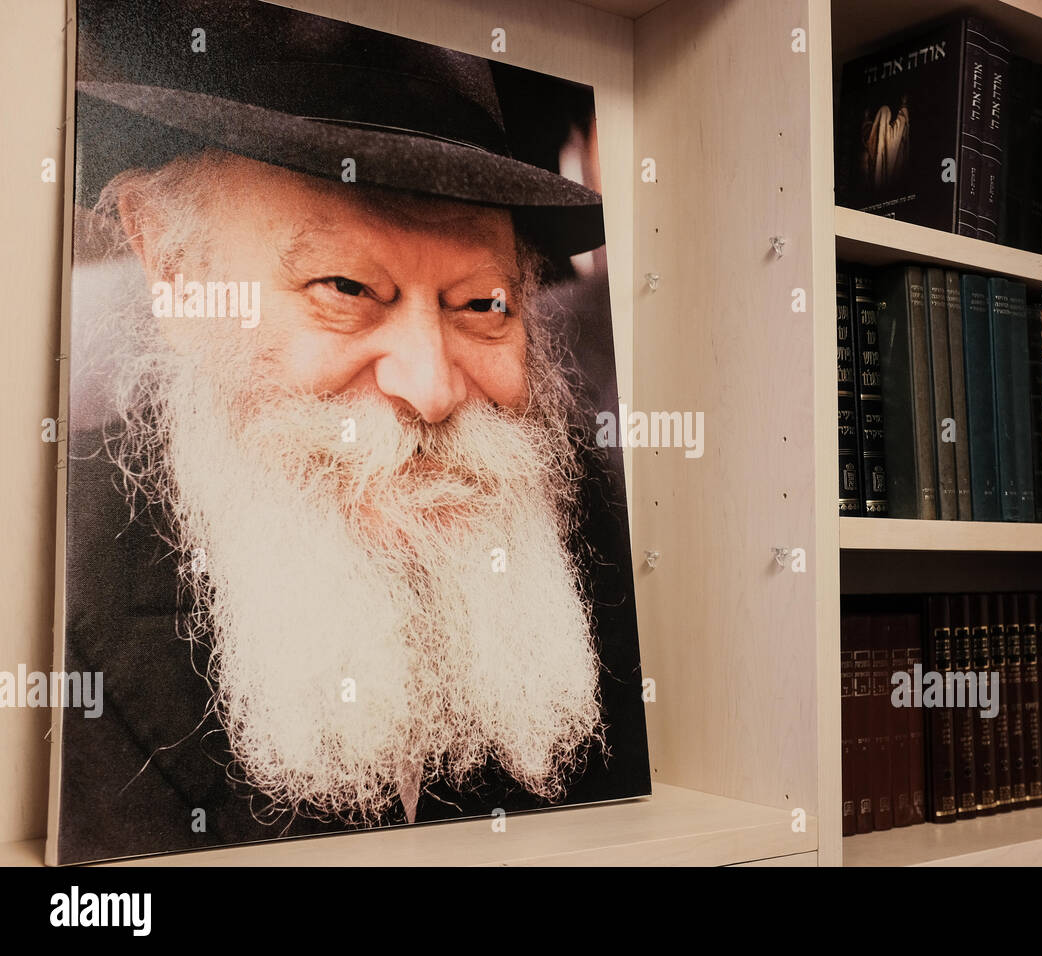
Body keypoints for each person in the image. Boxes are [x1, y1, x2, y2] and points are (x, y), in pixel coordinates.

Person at [54, 0, 648, 864]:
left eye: (483, 305)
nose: (433, 388)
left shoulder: (605, 535)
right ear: (179, 274)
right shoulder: (48, 579)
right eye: (346, 289)